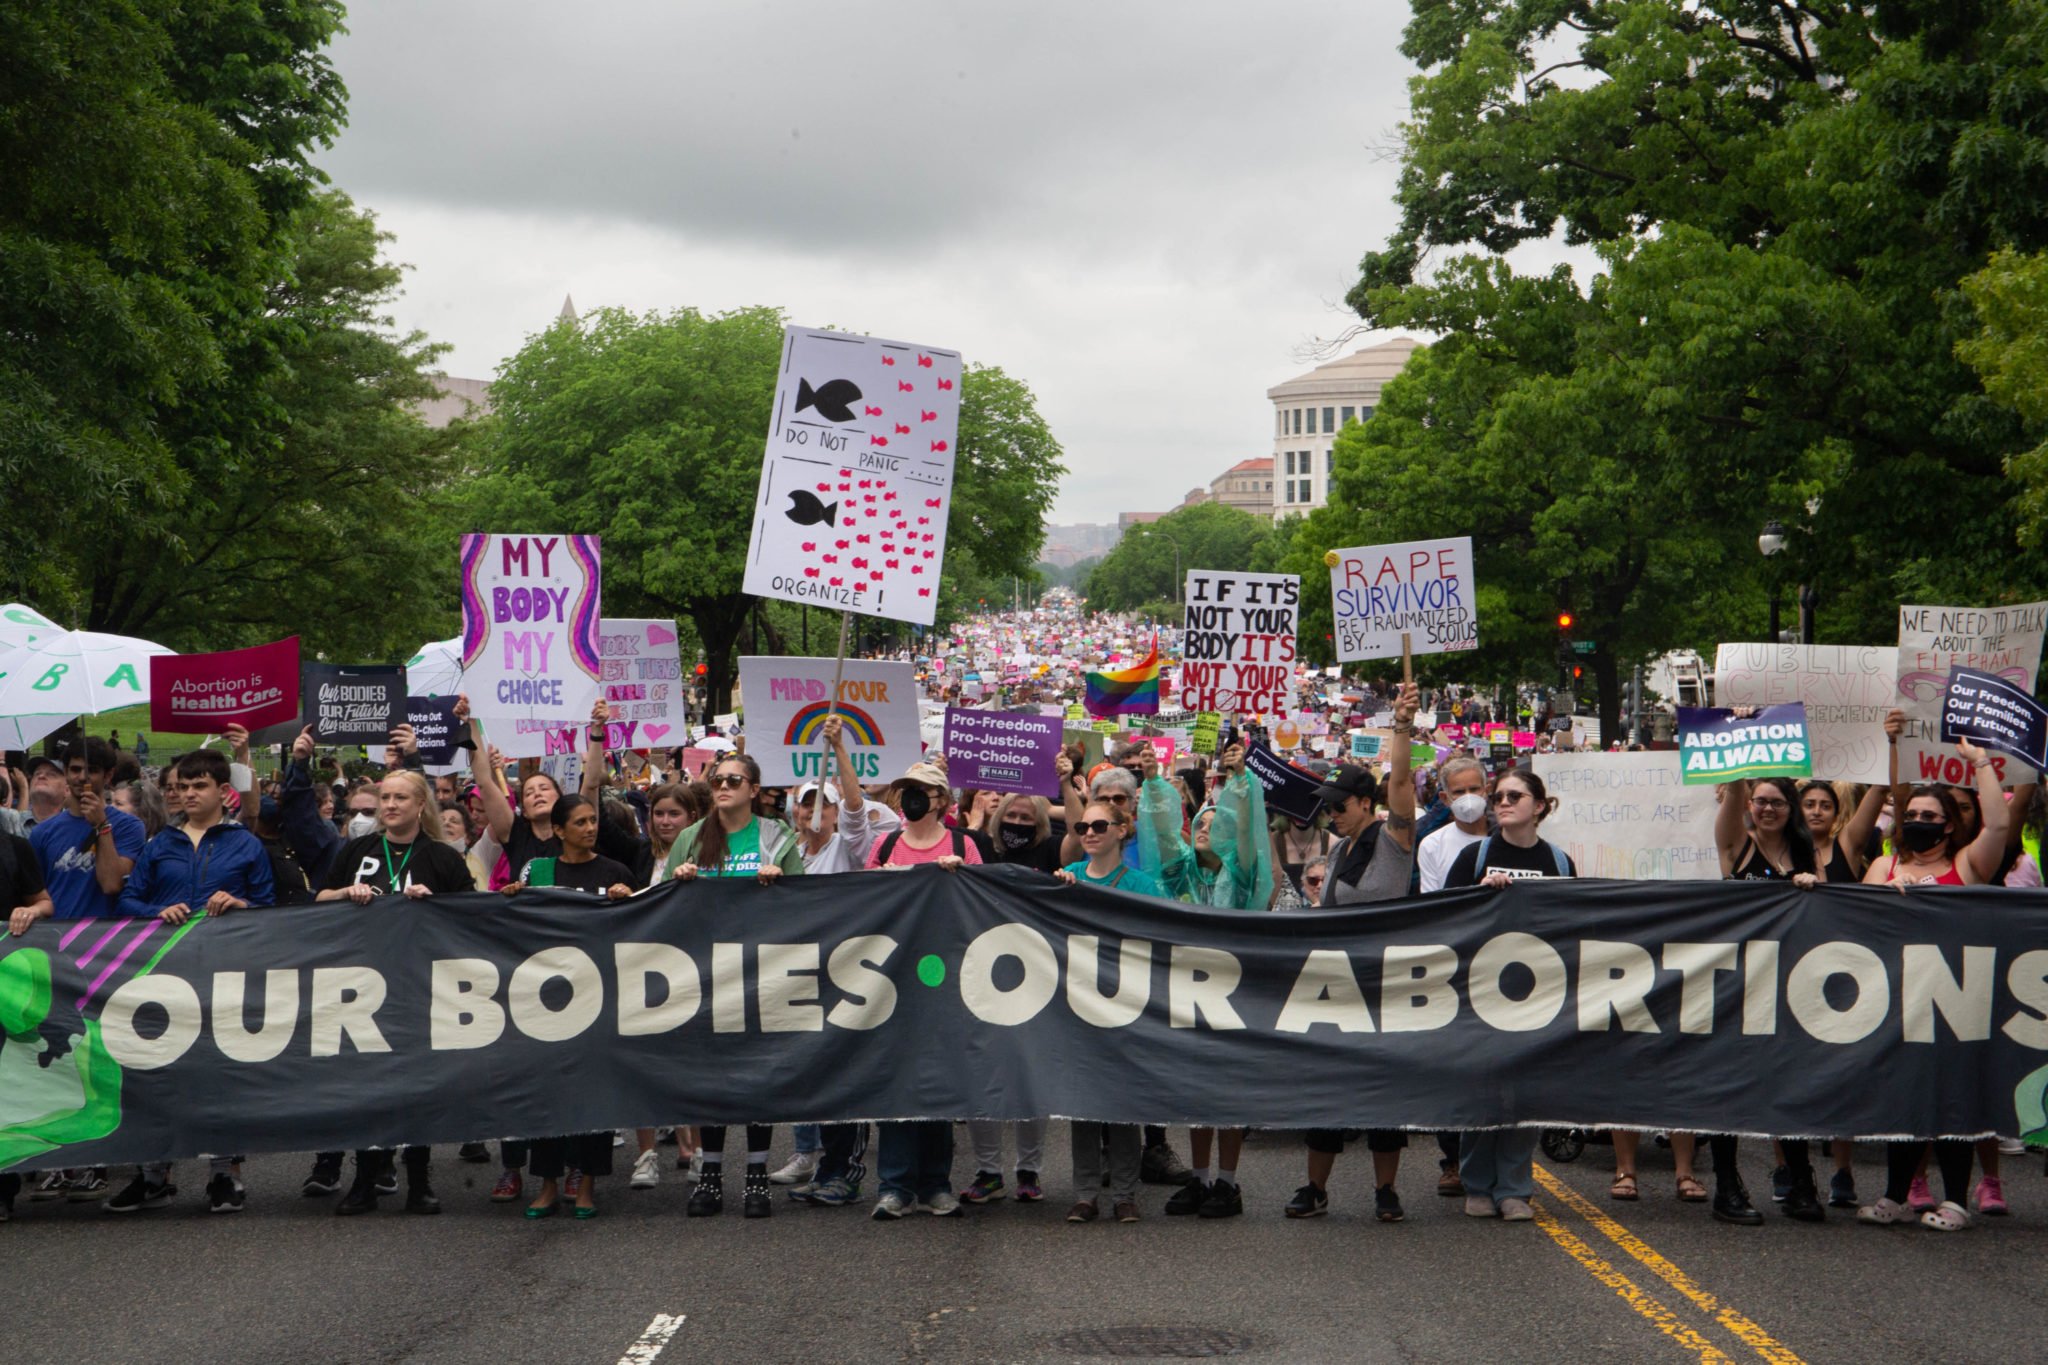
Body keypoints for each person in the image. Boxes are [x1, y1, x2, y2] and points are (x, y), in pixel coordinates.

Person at [107, 749, 274, 1215]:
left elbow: (269, 909)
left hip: (224, 973)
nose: (188, 795)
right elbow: (128, 902)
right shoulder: (160, 844)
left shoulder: (247, 845)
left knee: (219, 1074)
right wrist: (156, 911)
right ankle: (153, 1174)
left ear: (222, 792)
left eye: (199, 786)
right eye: (183, 787)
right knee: (157, 1071)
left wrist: (240, 905)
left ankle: (225, 1174)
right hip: (165, 973)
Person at [304, 769, 476, 1214]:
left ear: (421, 806)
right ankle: (365, 1179)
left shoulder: (441, 857)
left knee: (418, 1083)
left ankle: (419, 1181)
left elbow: (474, 916)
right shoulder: (357, 849)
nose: (391, 805)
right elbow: (317, 901)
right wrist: (345, 892)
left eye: (401, 798)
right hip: (363, 982)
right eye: (386, 798)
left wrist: (434, 903)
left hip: (421, 985)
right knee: (369, 1083)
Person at [1857, 738, 2009, 1233]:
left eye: (1931, 814)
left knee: (1951, 1101)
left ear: (1948, 824)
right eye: (1913, 813)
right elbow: (1849, 922)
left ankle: (1956, 1201)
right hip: (1898, 1003)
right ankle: (1895, 1195)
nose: (1920, 821)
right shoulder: (1886, 867)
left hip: (1955, 1000)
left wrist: (1980, 763)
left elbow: (2001, 824)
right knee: (1904, 1099)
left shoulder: (1965, 866)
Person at [1289, 680, 1422, 1224]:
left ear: (1366, 803)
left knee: (1383, 1091)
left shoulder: (1395, 842)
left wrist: (1401, 727)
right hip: (1340, 985)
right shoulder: (1340, 848)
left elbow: (1404, 789)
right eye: (1326, 809)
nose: (1331, 816)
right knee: (1329, 1088)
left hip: (1385, 983)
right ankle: (1314, 1187)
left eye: (1339, 806)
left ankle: (1386, 1189)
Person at [1134, 739, 1273, 1220]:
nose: (1204, 829)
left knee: (1229, 1094)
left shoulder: (1248, 875)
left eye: (1216, 825)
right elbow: (1163, 835)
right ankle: (1198, 1179)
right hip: (1189, 995)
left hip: (1236, 999)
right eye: (1200, 823)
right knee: (1195, 1093)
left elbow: (1254, 829)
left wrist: (1241, 781)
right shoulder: (1181, 878)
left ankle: (1228, 1185)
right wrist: (1152, 781)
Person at [663, 753, 804, 1218]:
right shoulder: (690, 837)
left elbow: (805, 906)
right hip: (705, 973)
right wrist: (679, 882)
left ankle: (757, 1176)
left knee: (758, 1076)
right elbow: (661, 909)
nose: (723, 786)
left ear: (755, 789)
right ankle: (710, 1175)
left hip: (760, 973)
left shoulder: (776, 836)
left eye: (733, 779)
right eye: (717, 779)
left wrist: (779, 884)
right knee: (711, 1077)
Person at [1440, 769, 1577, 1222]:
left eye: (1514, 796)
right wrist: (1480, 898)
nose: (1502, 802)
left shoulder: (1559, 863)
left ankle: (1515, 1186)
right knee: (1483, 1090)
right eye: (1497, 796)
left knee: (1525, 1093)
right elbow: (1442, 921)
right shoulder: (1475, 857)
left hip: (1538, 995)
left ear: (1539, 806)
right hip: (1480, 995)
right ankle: (1477, 1182)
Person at [1701, 769, 1825, 1225]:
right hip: (1738, 984)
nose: (1767, 808)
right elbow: (1733, 801)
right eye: (1760, 801)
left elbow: (1829, 908)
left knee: (1787, 1084)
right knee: (1730, 1086)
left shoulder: (1804, 851)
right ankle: (1727, 1186)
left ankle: (1799, 1181)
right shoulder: (1737, 843)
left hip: (1789, 985)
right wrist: (1737, 775)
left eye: (1777, 802)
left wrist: (1813, 887)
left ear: (1791, 809)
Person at [503, 793, 634, 1220]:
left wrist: (625, 900)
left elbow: (635, 928)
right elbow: (517, 924)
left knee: (596, 1093)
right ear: (558, 831)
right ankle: (547, 1184)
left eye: (593, 820)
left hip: (600, 998)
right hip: (548, 1000)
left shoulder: (614, 871)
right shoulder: (539, 871)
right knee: (548, 1094)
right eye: (579, 823)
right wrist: (512, 899)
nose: (590, 828)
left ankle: (587, 1182)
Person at [865, 760, 980, 1220]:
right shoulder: (885, 843)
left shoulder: (962, 845)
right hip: (891, 979)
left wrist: (961, 879)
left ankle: (936, 1184)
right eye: (907, 789)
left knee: (938, 1082)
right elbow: (859, 904)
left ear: (943, 801)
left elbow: (980, 911)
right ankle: (894, 1186)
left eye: (923, 790)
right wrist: (879, 881)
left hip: (944, 979)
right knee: (897, 1083)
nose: (913, 797)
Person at [1054, 798, 1166, 1224]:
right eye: (1082, 826)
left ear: (1123, 829)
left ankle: (1124, 1193)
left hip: (1127, 1005)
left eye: (1100, 824)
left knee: (1121, 1101)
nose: (1089, 833)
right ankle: (1085, 1193)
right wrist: (1054, 890)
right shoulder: (1068, 879)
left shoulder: (1143, 886)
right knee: (1083, 1103)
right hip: (1078, 1004)